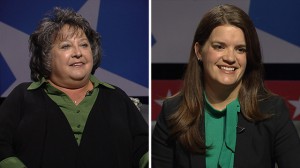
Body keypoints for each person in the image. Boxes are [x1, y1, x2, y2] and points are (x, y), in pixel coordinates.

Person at [152, 4, 300, 168]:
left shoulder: (272, 110)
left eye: (240, 49)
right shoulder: (172, 111)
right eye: (219, 47)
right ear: (199, 51)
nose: (230, 57)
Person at [0, 7, 148, 168]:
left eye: (84, 45)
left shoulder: (117, 97)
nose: (78, 53)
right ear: (46, 56)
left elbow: (144, 149)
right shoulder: (23, 96)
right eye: (66, 46)